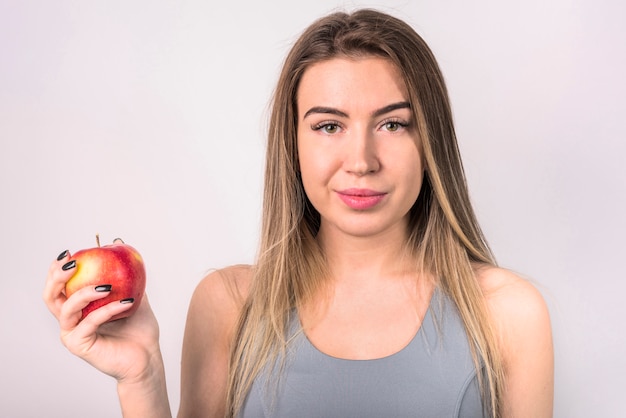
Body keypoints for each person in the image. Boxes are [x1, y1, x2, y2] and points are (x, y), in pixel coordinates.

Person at [43, 8, 553, 418]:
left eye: (393, 124)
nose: (361, 161)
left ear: (432, 140)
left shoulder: (507, 314)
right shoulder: (228, 305)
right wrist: (142, 376)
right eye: (329, 126)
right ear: (293, 144)